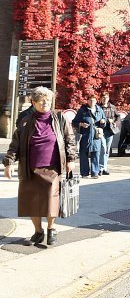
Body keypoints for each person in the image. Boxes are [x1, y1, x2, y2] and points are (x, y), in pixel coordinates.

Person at [3, 86, 77, 247]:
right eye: (42, 100)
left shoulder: (59, 118)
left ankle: (52, 228)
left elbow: (69, 139)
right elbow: (15, 144)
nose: (45, 103)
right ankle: (38, 231)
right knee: (31, 201)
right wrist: (9, 162)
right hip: (30, 169)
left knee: (51, 199)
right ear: (33, 102)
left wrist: (71, 158)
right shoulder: (25, 121)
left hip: (52, 167)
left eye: (48, 100)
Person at [72, 94, 105, 178]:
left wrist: (103, 122)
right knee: (83, 154)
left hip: (96, 136)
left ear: (96, 101)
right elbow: (74, 122)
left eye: (93, 100)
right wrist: (81, 124)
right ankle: (84, 173)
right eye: (90, 100)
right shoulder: (82, 110)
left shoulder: (99, 110)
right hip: (85, 135)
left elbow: (104, 123)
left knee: (96, 153)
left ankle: (95, 172)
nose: (92, 102)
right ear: (87, 101)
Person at [99, 92, 120, 175]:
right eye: (103, 97)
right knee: (102, 149)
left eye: (106, 98)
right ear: (100, 98)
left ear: (108, 98)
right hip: (101, 130)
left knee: (107, 150)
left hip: (110, 131)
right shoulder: (98, 107)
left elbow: (118, 116)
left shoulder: (112, 107)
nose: (105, 99)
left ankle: (104, 168)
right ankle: (100, 168)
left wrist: (115, 122)